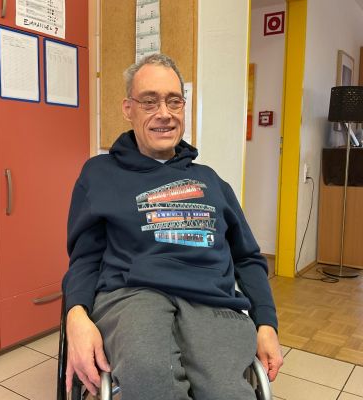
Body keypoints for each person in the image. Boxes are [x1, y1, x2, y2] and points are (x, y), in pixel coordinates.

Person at [63, 53, 283, 400]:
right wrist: (75, 316)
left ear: (183, 106)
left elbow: (247, 258)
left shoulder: (212, 182)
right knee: (153, 377)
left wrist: (267, 323)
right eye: (149, 101)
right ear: (128, 109)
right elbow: (85, 258)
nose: (163, 113)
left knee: (227, 391)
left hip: (212, 300)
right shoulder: (99, 174)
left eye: (173, 101)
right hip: (131, 297)